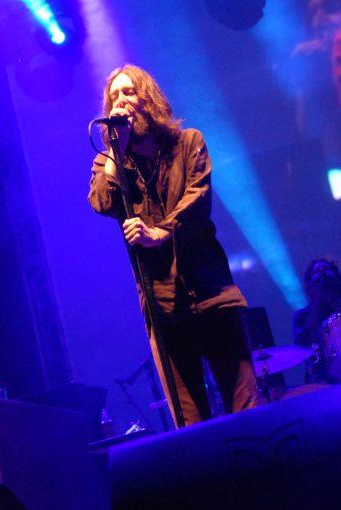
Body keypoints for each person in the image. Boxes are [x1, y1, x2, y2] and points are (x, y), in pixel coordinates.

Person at [88, 64, 258, 426]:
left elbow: (197, 200)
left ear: (148, 98)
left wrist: (160, 233)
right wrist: (115, 154)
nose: (121, 101)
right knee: (190, 426)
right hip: (163, 309)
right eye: (114, 96)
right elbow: (102, 203)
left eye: (129, 92)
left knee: (246, 409)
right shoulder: (109, 163)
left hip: (211, 293)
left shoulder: (188, 143)